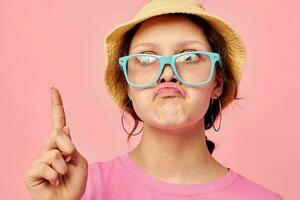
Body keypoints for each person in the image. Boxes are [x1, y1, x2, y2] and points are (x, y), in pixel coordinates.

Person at [23, 0, 284, 199]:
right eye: (146, 59)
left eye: (189, 56)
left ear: (217, 82)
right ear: (126, 85)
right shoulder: (80, 189)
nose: (167, 73)